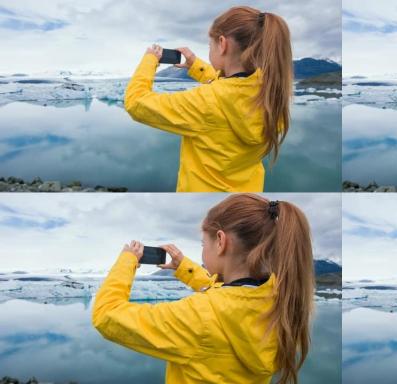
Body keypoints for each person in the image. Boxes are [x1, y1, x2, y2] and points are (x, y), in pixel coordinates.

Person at [92, 194, 314, 384]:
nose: (202, 251)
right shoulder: (280, 296)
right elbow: (234, 296)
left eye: (202, 244)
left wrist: (126, 261)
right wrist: (186, 268)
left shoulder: (198, 317)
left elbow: (106, 315)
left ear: (220, 241)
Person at [124, 6, 293, 192]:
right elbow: (234, 87)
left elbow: (136, 102)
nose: (209, 50)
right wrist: (195, 65)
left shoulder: (204, 102)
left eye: (209, 45)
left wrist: (150, 60)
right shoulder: (271, 92)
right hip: (246, 195)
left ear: (222, 44)